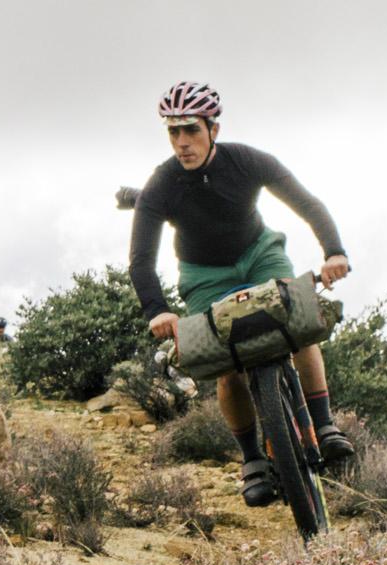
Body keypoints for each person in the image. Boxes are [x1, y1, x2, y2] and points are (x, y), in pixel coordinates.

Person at [127, 82, 354, 504]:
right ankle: (252, 460)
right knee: (225, 365)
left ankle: (324, 424)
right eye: (172, 132)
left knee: (299, 321)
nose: (182, 143)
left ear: (213, 127)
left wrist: (333, 251)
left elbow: (307, 203)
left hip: (259, 255)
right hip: (203, 275)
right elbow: (141, 258)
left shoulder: (247, 161)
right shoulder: (161, 184)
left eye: (191, 130)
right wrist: (157, 310)